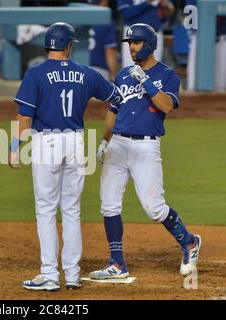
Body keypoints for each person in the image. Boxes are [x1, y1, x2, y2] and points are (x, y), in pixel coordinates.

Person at [8, 22, 123, 291]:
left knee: (46, 210)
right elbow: (115, 97)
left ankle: (49, 274)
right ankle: (71, 275)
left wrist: (14, 148)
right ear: (69, 45)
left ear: (48, 45)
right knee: (71, 210)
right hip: (75, 142)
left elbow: (24, 116)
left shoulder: (35, 73)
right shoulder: (86, 73)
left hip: (47, 142)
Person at [89, 23, 201, 280]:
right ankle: (117, 264)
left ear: (149, 44)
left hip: (146, 147)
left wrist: (146, 81)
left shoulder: (168, 75)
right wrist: (105, 141)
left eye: (136, 42)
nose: (131, 47)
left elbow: (166, 106)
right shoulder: (123, 74)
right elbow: (112, 111)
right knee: (108, 205)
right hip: (117, 144)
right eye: (129, 43)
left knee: (154, 208)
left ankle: (190, 242)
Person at [118, 0, 175, 67]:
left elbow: (170, 12)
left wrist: (166, 5)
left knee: (154, 73)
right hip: (133, 35)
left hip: (155, 35)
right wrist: (148, 3)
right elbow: (126, 13)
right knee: (130, 72)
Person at [185, 0, 226, 91]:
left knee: (221, 85)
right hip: (200, 37)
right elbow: (189, 10)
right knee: (195, 82)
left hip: (222, 39)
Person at [89, 0, 118, 81]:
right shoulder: (105, 19)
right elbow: (110, 52)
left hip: (77, 72)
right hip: (98, 72)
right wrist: (115, 78)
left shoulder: (77, 18)